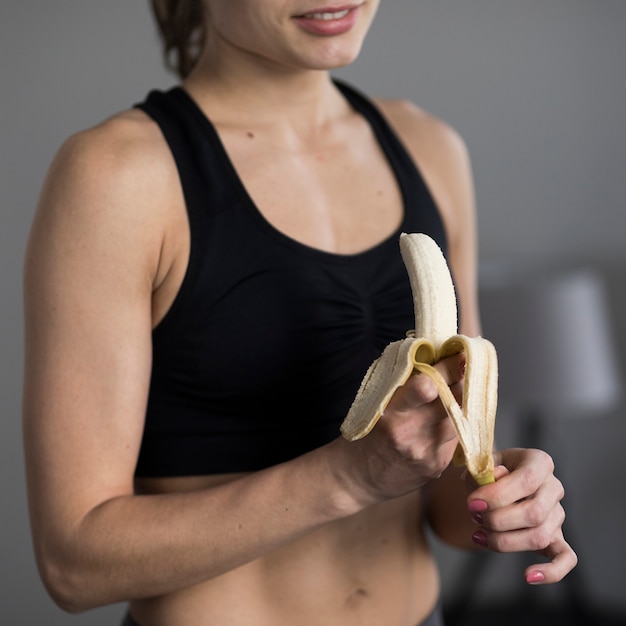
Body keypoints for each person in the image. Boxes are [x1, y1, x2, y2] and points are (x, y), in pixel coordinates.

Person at [22, 2, 577, 625]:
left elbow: (448, 507)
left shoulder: (431, 148)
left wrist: (504, 493)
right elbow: (74, 565)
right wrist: (350, 476)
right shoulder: (117, 176)